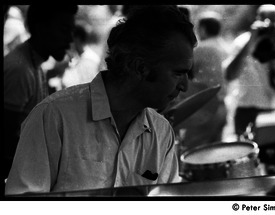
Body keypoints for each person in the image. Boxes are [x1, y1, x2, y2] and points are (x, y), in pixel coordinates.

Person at [5, 5, 197, 195]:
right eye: (178, 73)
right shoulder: (54, 117)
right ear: (140, 68)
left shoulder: (162, 134)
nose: (185, 86)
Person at [3, 5, 78, 186]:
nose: (69, 39)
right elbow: (6, 141)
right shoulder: (20, 70)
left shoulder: (34, 63)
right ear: (40, 27)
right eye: (63, 30)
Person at [224, 4, 275, 138]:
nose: (270, 26)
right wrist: (251, 42)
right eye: (266, 21)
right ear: (256, 19)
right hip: (249, 110)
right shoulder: (242, 42)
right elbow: (230, 75)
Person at [174, 11, 232, 151]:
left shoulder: (202, 48)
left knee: (193, 151)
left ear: (203, 29)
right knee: (215, 153)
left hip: (205, 108)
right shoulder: (225, 47)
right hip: (223, 106)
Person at [61, 22, 102, 88]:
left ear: (77, 39)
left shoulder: (90, 60)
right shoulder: (76, 58)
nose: (68, 41)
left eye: (71, 38)